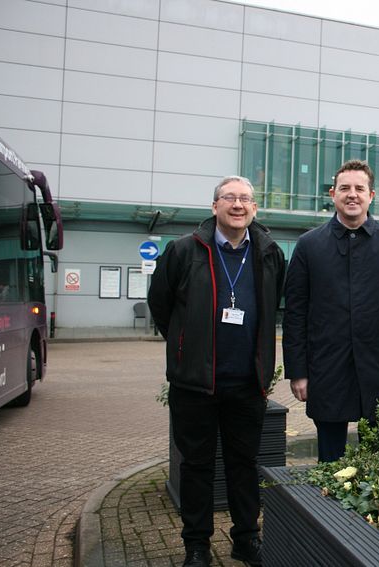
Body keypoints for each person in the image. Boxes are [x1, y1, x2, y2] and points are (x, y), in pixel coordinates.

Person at [148, 176, 285, 567]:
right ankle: (196, 546)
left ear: (255, 209)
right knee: (196, 467)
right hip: (195, 385)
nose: (238, 205)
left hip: (247, 384)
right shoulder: (183, 250)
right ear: (214, 207)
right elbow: (161, 306)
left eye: (245, 199)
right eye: (230, 198)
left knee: (244, 466)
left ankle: (246, 539)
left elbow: (276, 305)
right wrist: (183, 345)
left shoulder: (269, 252)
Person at [283, 159, 379, 463]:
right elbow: (295, 313)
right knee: (330, 460)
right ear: (333, 194)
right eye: (345, 188)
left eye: (359, 188)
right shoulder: (308, 245)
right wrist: (298, 371)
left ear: (371, 195)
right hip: (326, 368)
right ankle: (329, 509)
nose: (352, 194)